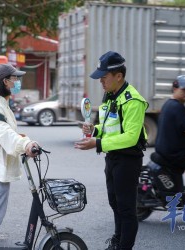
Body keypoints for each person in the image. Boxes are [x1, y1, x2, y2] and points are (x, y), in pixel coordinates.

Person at [74, 51, 148, 250]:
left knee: (126, 209)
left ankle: (123, 247)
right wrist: (94, 129)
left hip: (128, 160)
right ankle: (117, 241)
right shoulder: (110, 95)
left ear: (119, 76)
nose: (101, 82)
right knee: (115, 203)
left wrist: (96, 144)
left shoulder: (133, 100)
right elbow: (109, 126)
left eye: (104, 78)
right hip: (112, 157)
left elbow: (131, 137)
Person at [0, 63, 38, 240]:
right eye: (15, 78)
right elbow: (5, 135)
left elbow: (7, 132)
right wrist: (25, 144)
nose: (18, 81)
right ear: (5, 81)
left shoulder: (2, 102)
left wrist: (22, 140)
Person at [155, 75, 185, 190]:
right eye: (184, 89)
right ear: (175, 89)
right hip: (177, 154)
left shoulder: (170, 105)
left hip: (169, 151)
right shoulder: (178, 108)